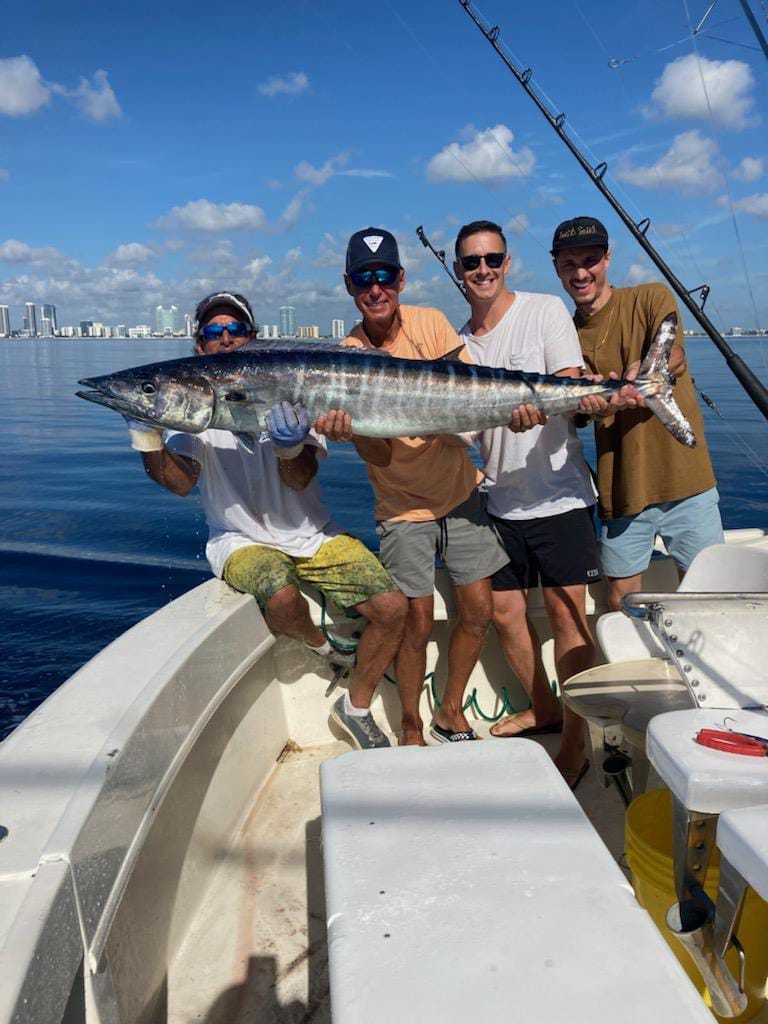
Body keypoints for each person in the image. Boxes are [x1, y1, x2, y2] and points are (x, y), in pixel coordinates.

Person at [124, 290, 407, 750]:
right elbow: (179, 483)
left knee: (394, 609)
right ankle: (327, 648)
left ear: (254, 339)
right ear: (199, 346)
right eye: (214, 332)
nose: (226, 338)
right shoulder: (192, 409)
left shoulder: (290, 386)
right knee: (280, 597)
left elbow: (300, 479)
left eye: (236, 330)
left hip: (313, 534)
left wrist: (290, 445)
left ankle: (354, 708)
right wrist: (146, 431)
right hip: (238, 539)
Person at [315, 228, 510, 746]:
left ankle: (451, 711)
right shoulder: (345, 357)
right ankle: (410, 723)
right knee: (416, 622)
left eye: (384, 277)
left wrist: (517, 412)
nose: (375, 289)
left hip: (460, 493)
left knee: (480, 611)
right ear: (349, 286)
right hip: (401, 508)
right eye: (364, 279)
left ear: (399, 279)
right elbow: (379, 454)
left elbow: (471, 399)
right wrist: (354, 430)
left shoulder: (431, 323)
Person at [452, 219, 600, 789]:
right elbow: (462, 431)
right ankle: (545, 707)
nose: (483, 270)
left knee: (567, 615)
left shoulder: (543, 311)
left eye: (492, 259)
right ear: (459, 271)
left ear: (507, 262)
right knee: (506, 615)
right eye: (471, 262)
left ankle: (575, 742)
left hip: (559, 495)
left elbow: (569, 381)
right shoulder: (458, 345)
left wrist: (555, 396)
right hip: (497, 500)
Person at [551, 217, 723, 612]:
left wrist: (649, 372)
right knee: (621, 602)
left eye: (590, 260)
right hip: (623, 489)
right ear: (557, 268)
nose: (581, 273)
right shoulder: (564, 333)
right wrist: (596, 402)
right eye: (569, 264)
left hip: (688, 482)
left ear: (607, 258)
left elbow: (675, 353)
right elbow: (577, 413)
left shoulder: (651, 297)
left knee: (709, 598)